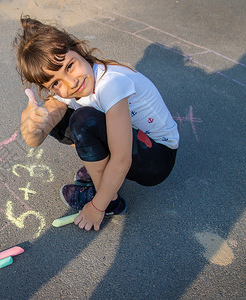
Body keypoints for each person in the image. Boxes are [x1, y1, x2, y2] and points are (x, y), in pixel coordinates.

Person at [14, 16, 179, 231]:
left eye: (70, 66)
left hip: (157, 157)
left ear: (79, 49)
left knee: (82, 121)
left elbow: (121, 159)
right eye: (55, 82)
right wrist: (31, 125)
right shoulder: (71, 86)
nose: (71, 83)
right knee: (55, 116)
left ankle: (110, 200)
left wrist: (97, 207)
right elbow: (36, 138)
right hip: (134, 141)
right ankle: (100, 174)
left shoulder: (111, 84)